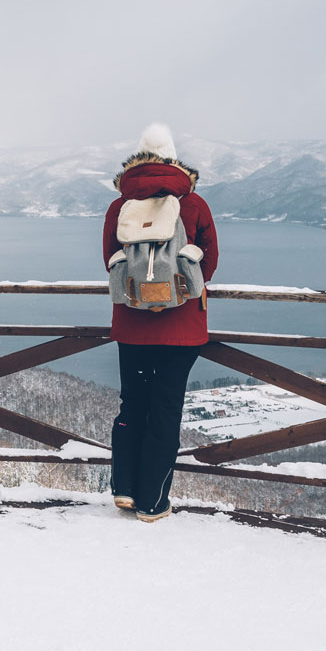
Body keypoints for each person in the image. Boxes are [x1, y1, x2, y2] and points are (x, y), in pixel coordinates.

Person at [102, 124, 218, 522]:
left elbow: (110, 264)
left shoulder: (120, 207)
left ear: (137, 161)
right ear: (172, 160)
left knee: (132, 403)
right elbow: (211, 265)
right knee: (165, 410)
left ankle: (125, 490)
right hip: (182, 329)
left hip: (133, 327)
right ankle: (153, 502)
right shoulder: (195, 204)